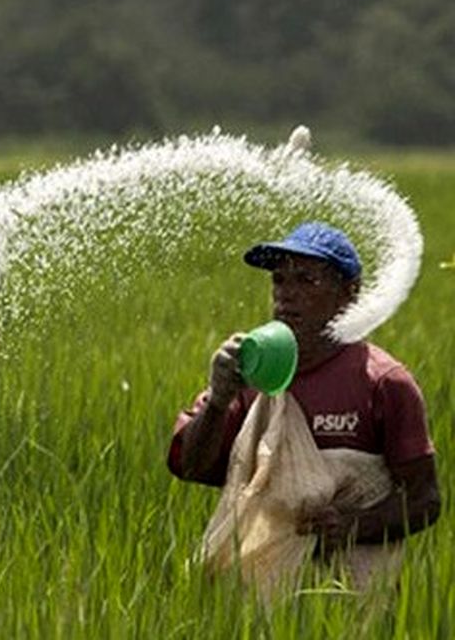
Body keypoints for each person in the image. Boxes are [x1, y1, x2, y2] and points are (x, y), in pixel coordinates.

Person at [168, 222, 440, 590]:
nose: (286, 295)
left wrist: (351, 525)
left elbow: (424, 499)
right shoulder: (250, 374)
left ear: (349, 294)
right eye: (279, 280)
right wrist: (218, 401)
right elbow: (192, 466)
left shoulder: (384, 382)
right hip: (256, 600)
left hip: (350, 596)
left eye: (306, 281)